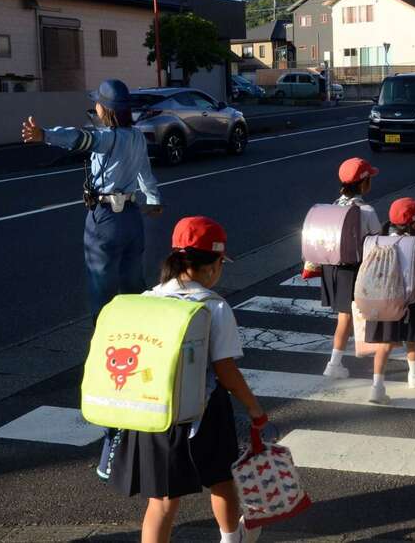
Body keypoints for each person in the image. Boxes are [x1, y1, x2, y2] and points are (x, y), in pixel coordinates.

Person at [109, 216, 276, 543]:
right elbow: (226, 370)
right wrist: (255, 409)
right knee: (221, 481)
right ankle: (231, 539)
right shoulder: (214, 306)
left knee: (162, 500)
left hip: (154, 413)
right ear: (213, 265)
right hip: (205, 412)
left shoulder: (148, 298)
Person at [21, 79, 162, 325]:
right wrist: (152, 199)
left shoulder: (106, 138)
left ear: (105, 108)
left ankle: (105, 343)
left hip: (105, 219)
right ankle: (140, 337)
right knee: (133, 283)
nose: (95, 105)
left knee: (103, 289)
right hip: (132, 217)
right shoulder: (137, 137)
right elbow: (145, 174)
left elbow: (78, 138)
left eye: (97, 102)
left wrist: (44, 135)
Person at [365, 198, 415, 404]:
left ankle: (377, 388)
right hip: (410, 300)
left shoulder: (377, 240)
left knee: (384, 344)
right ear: (413, 223)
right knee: (412, 339)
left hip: (382, 300)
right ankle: (414, 376)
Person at [321, 157, 383, 378]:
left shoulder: (332, 205)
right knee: (347, 316)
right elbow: (377, 241)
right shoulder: (365, 210)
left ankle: (340, 360)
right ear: (364, 182)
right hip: (353, 269)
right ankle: (333, 364)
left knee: (344, 315)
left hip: (331, 269)